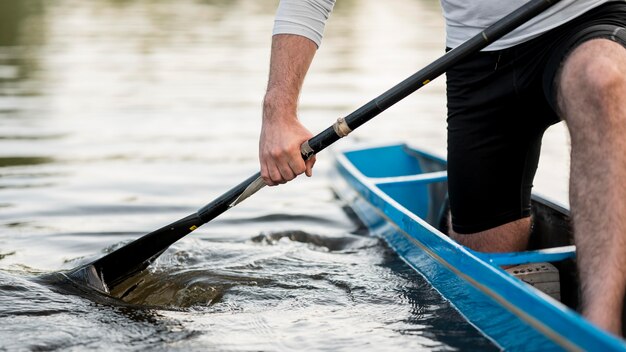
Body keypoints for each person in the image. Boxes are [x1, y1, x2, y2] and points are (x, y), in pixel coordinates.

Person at [258, 0, 626, 336]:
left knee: (601, 78)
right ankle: (457, 215)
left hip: (589, 18)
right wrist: (279, 113)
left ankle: (602, 329)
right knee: (483, 259)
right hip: (479, 55)